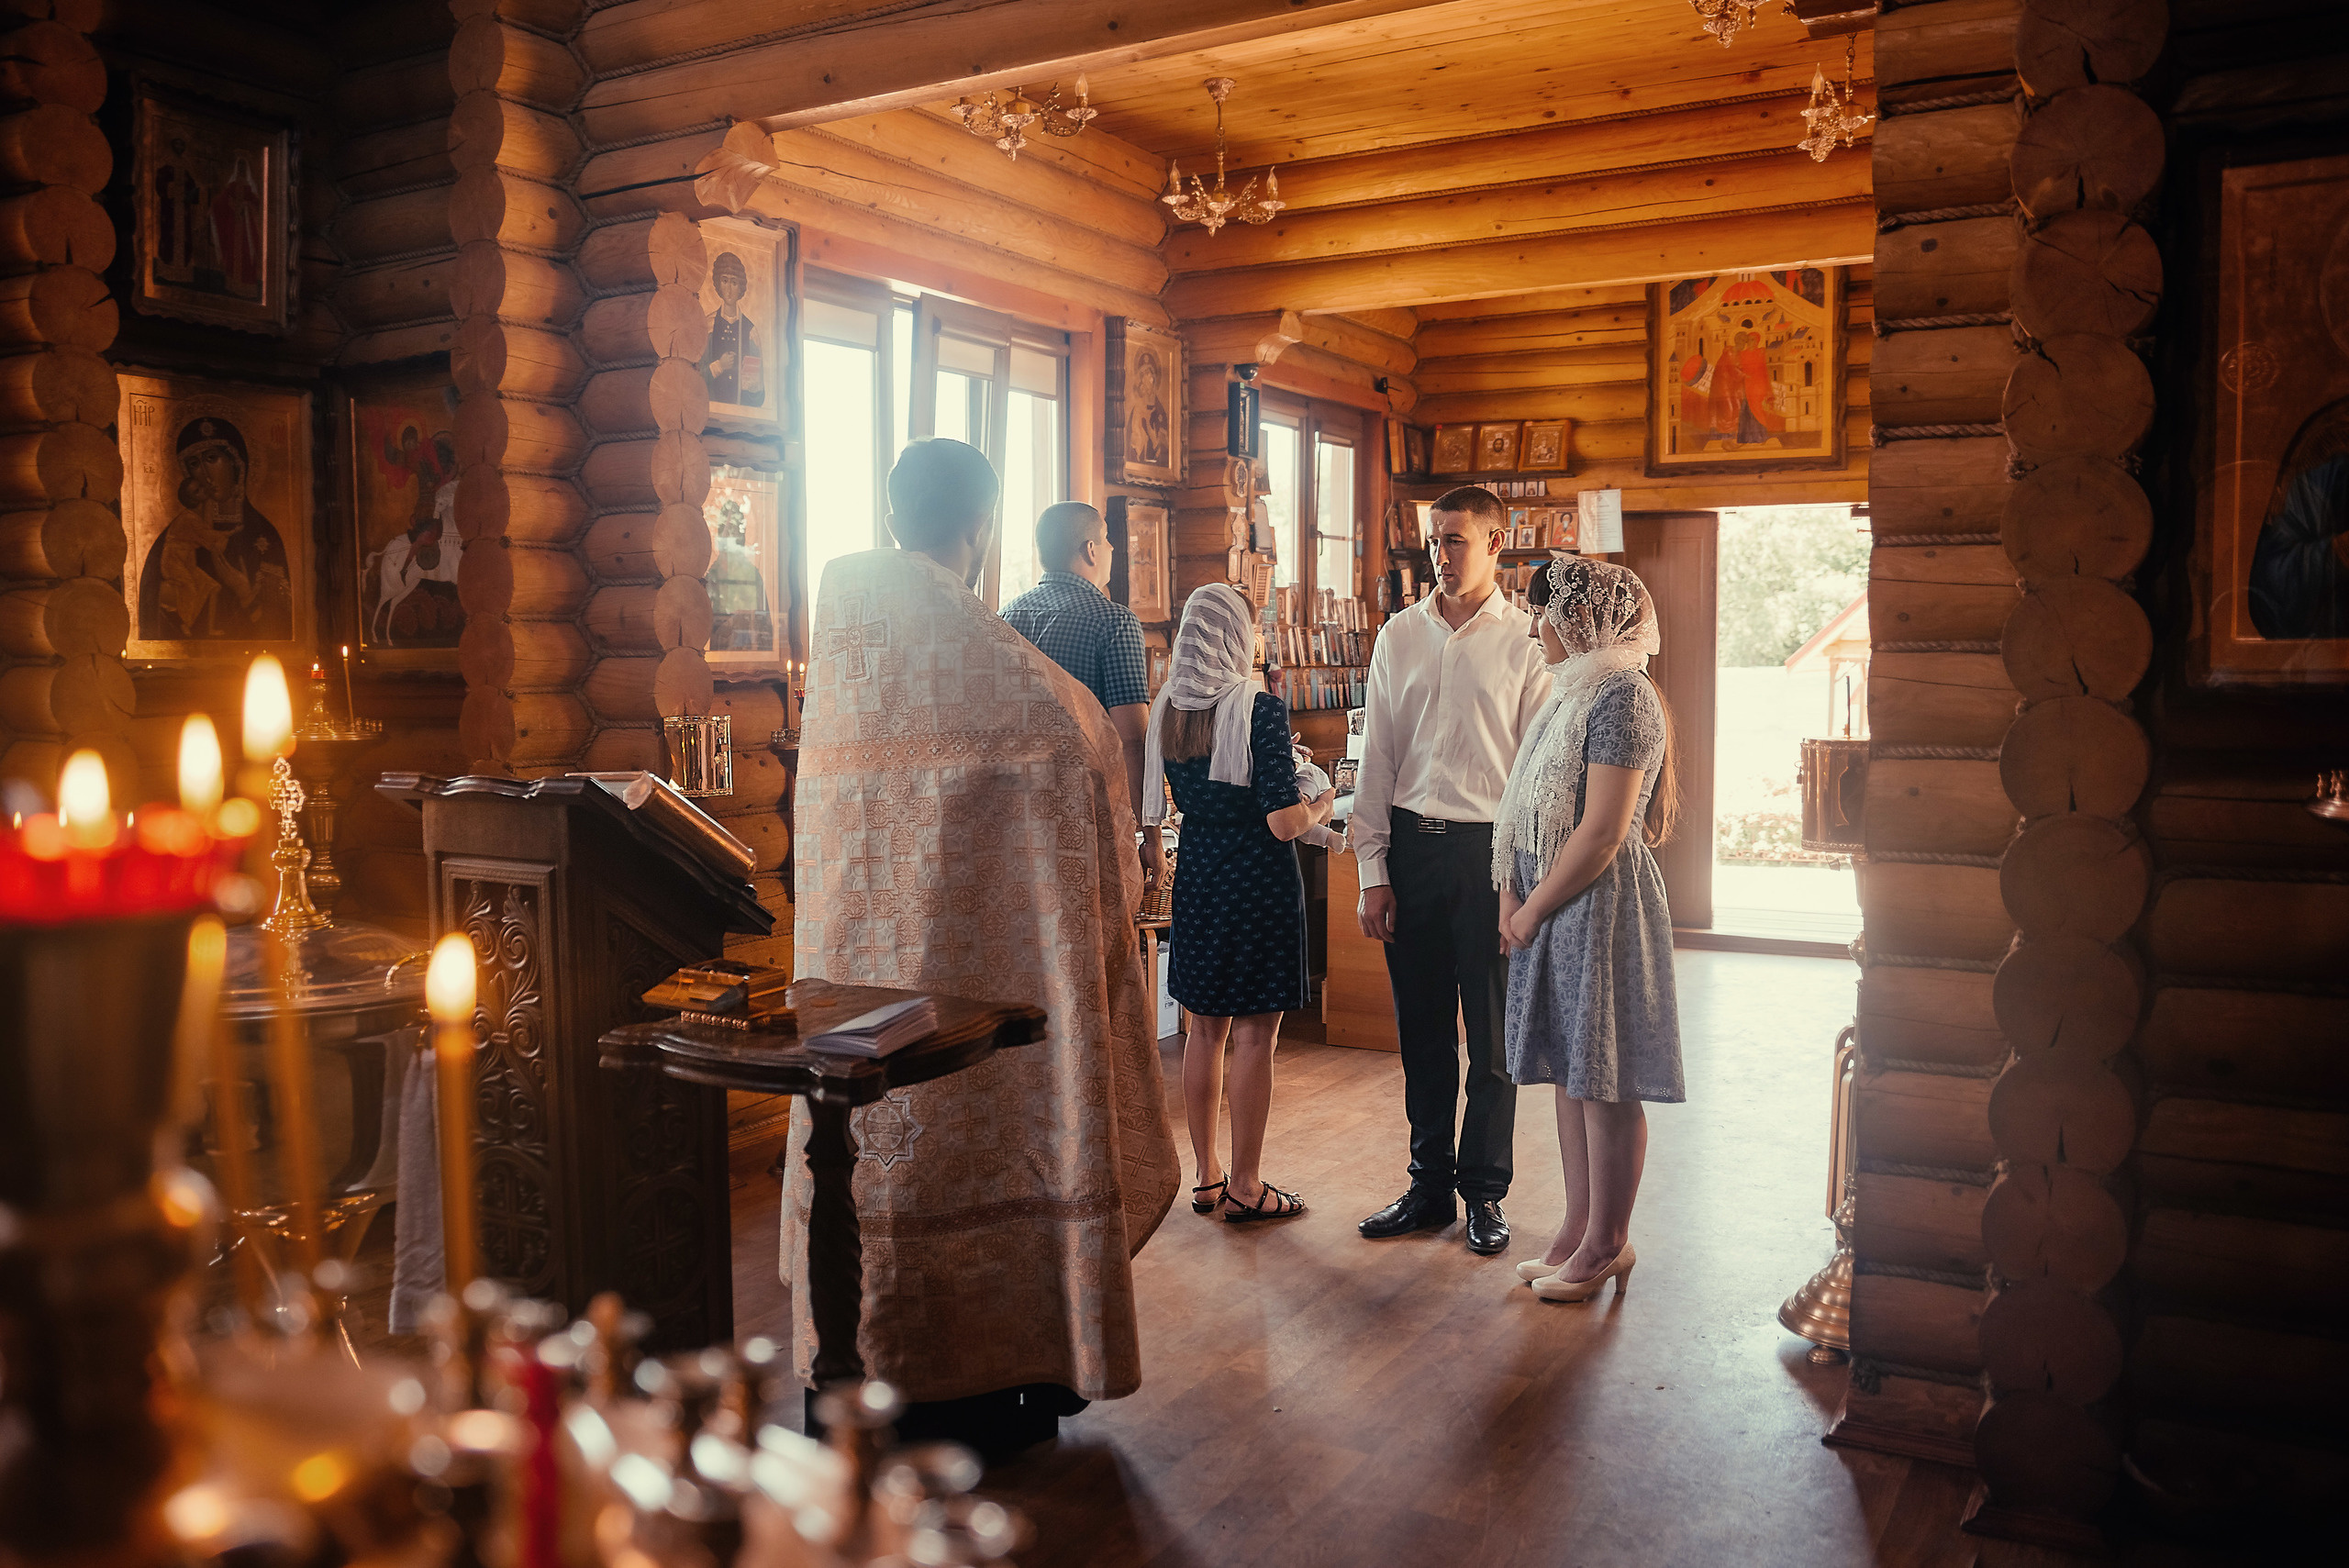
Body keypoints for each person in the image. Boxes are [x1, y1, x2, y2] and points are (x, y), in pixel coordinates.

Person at [785, 438, 1179, 1452]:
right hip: (981, 991)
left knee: (876, 1169)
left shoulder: (846, 639)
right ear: (982, 524)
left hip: (856, 993)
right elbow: (1085, 742)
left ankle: (861, 1360)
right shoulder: (1013, 679)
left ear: (890, 515)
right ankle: (1009, 1371)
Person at [1351, 486, 1553, 1257]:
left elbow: (1534, 775)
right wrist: (1374, 869)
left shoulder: (1529, 645)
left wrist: (1520, 882)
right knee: (1423, 1033)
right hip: (1411, 845)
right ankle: (1428, 1185)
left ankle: (1485, 1194)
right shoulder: (1399, 635)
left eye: (1457, 540)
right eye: (1435, 540)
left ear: (1497, 544)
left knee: (1494, 1042)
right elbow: (1378, 759)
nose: (1440, 554)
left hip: (1488, 856)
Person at [1495, 557, 1685, 1303]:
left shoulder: (1624, 697)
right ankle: (1579, 1226)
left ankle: (1610, 1238)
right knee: (1571, 1072)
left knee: (1606, 1080)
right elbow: (1524, 808)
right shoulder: (1568, 693)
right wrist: (1512, 889)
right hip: (1551, 898)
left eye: (1546, 612)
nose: (1537, 625)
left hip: (1596, 902)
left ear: (1581, 620)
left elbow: (1603, 830)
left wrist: (1533, 905)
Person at [1141, 584, 1334, 1224]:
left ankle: (1206, 1175)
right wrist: (1323, 801)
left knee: (1205, 1028)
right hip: (1255, 878)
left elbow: (1167, 798)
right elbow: (1283, 821)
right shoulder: (1257, 706)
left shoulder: (1169, 703)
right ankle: (1248, 1184)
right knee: (1256, 1036)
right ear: (1237, 635)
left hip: (1199, 869)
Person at [1003, 501, 1163, 894]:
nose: (1110, 550)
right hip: (1088, 813)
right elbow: (1133, 742)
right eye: (1107, 540)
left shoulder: (1007, 615)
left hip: (1017, 809)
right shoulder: (1113, 621)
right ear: (1090, 549)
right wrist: (1150, 837)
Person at [139, 416, 294, 642]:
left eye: (212, 458)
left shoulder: (264, 535)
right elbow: (150, 616)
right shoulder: (175, 536)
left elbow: (281, 628)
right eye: (194, 464)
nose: (205, 474)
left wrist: (244, 592)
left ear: (236, 461)